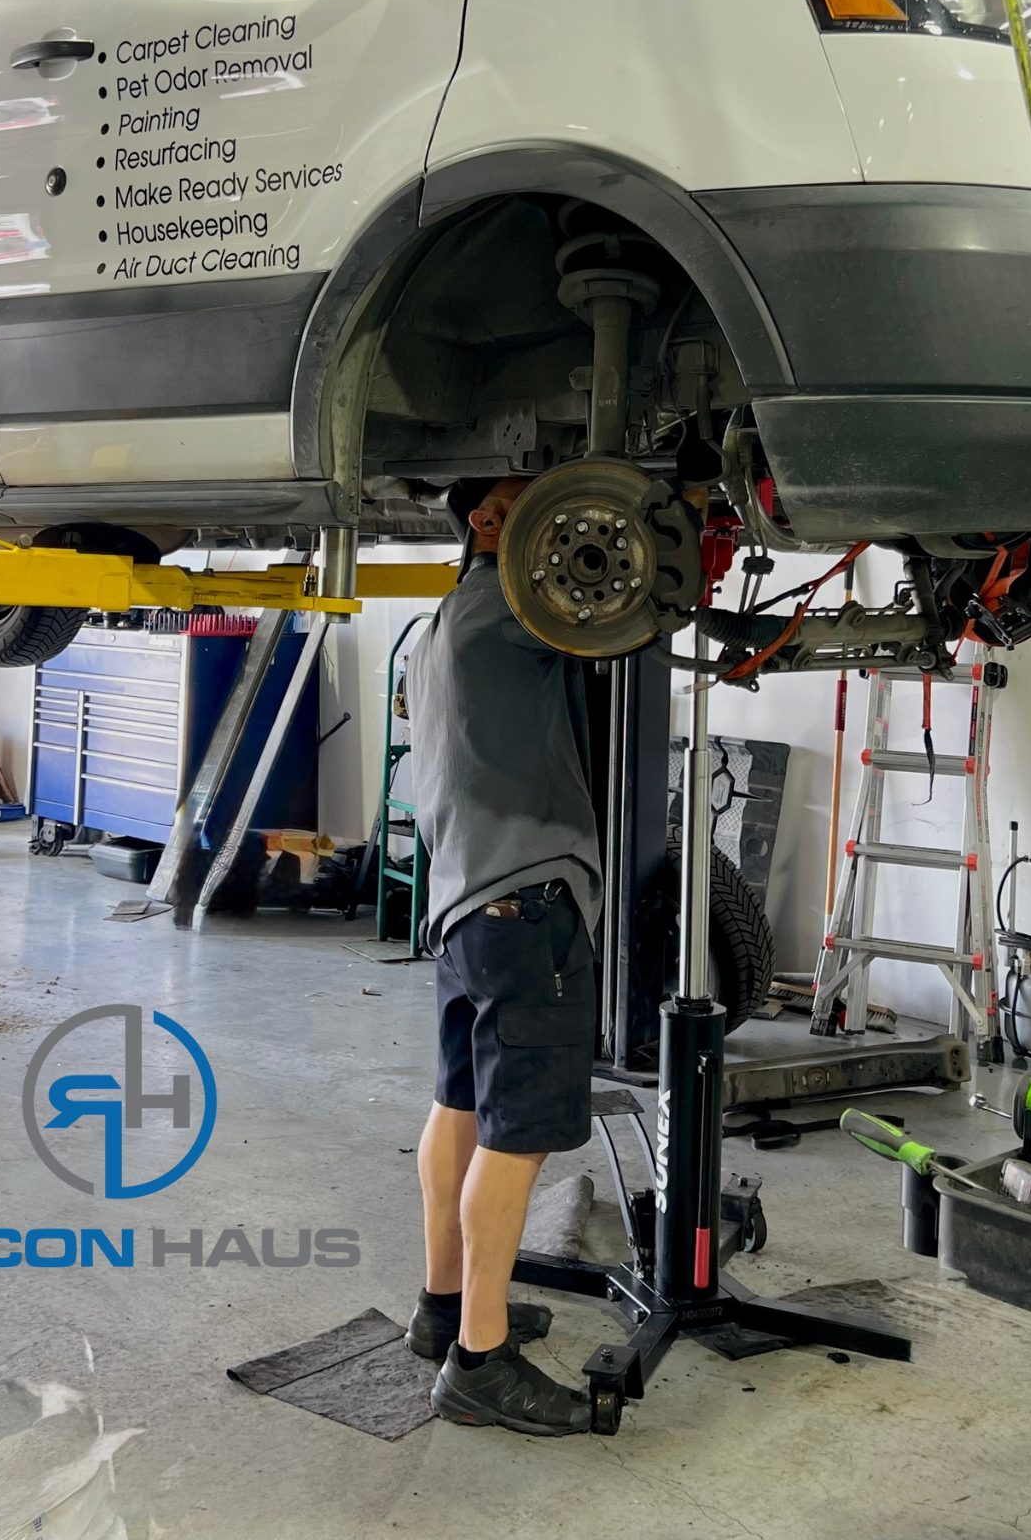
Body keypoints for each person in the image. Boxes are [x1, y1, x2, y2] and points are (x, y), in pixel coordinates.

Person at [403, 475, 601, 1435]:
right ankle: (481, 1362)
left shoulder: (440, 626)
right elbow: (628, 603)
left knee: (459, 1107)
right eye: (530, 499)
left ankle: (443, 1307)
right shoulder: (523, 609)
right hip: (527, 908)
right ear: (487, 520)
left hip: (464, 908)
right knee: (515, 1139)